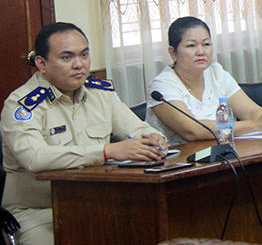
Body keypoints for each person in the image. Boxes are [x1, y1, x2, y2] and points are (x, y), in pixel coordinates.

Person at [1, 22, 168, 245]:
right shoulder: (22, 105)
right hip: (39, 210)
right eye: (67, 57)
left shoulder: (100, 93)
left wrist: (155, 139)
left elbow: (138, 129)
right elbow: (34, 158)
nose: (79, 64)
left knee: (151, 230)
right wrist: (106, 152)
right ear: (41, 63)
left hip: (99, 202)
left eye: (84, 54)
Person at [147, 17, 262, 146]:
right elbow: (192, 130)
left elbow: (251, 111)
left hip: (225, 155)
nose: (201, 51)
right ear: (173, 53)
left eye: (206, 44)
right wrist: (257, 124)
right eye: (191, 45)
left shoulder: (217, 73)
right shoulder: (162, 86)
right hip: (181, 162)